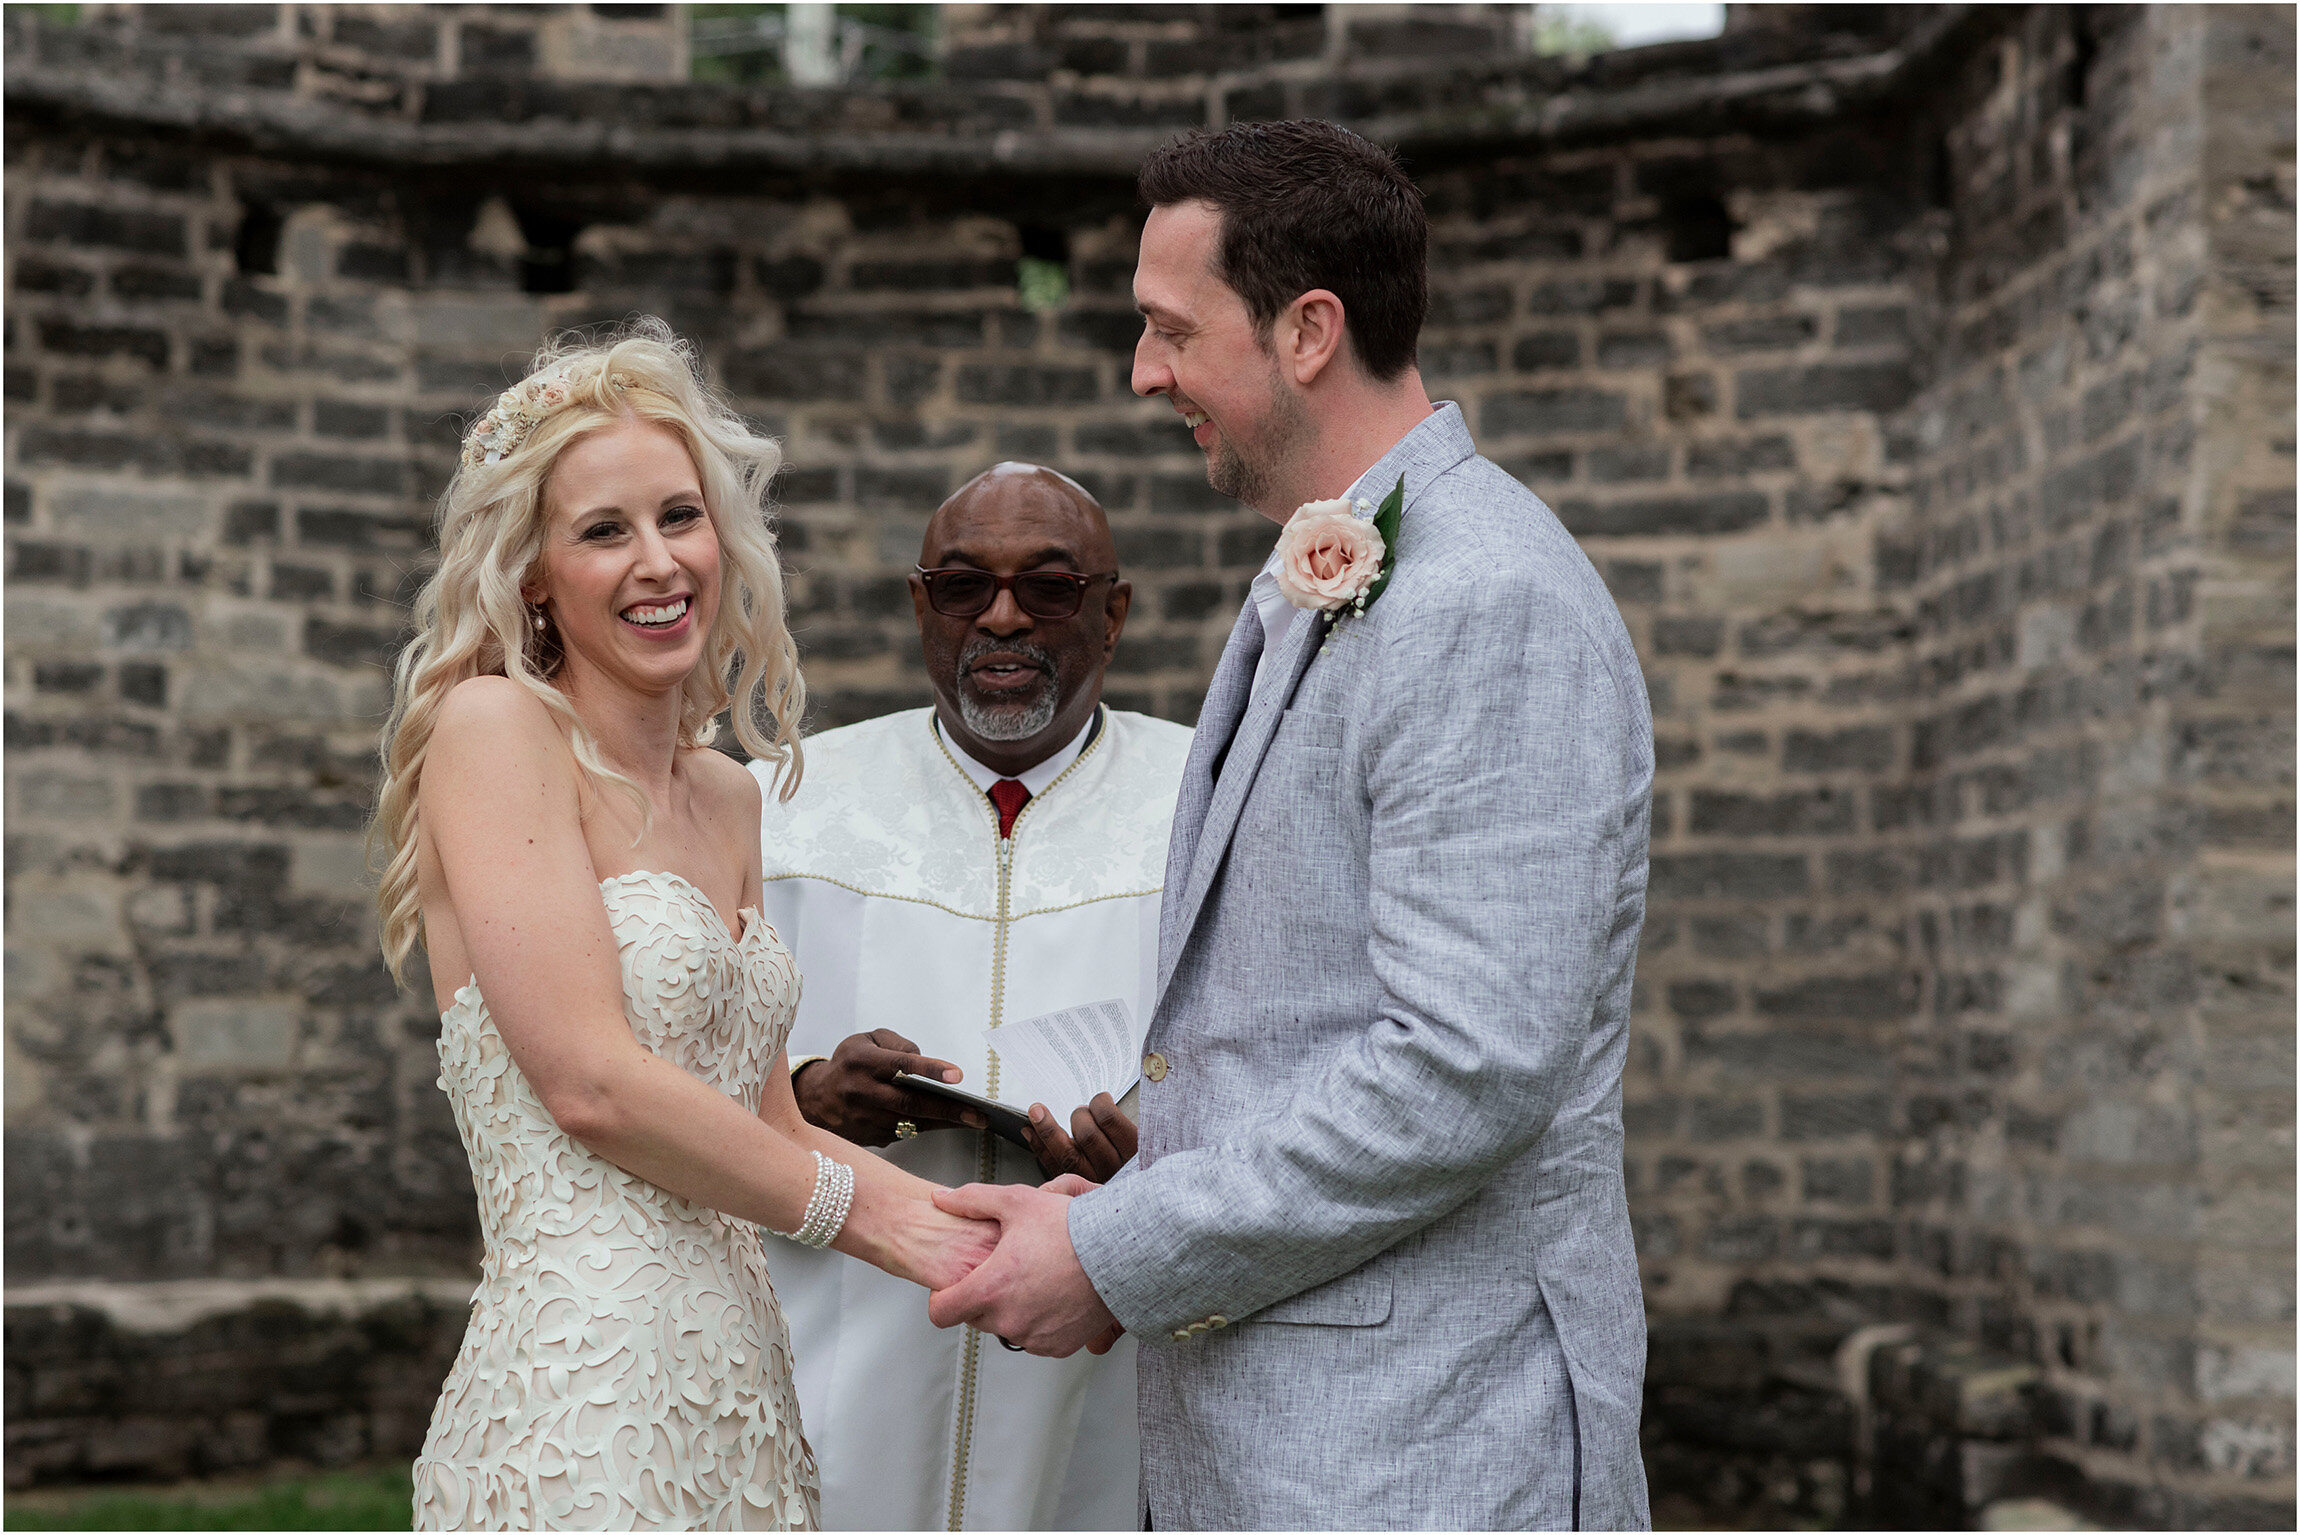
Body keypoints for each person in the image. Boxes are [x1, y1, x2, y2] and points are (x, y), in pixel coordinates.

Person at [925, 121, 1656, 1530]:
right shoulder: (1333, 573)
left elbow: (1468, 1064)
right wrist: (1151, 1133)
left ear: (1308, 329)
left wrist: (1115, 1253)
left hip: (1423, 1448)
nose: (1145, 374)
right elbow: (1323, 1011)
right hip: (1293, 1441)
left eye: (1171, 330)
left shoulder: (1483, 600)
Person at [370, 318, 995, 1531]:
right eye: (605, 529)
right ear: (533, 572)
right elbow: (590, 1084)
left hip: (743, 1399)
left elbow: (760, 1119)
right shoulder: (495, 732)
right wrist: (884, 1221)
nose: (659, 561)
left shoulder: (726, 796)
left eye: (679, 515)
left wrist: (987, 1228)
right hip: (580, 1408)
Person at [751, 463, 1190, 1531]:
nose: (1001, 616)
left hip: (1099, 1366)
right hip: (836, 1351)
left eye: (1047, 588)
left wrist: (1156, 1156)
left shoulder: (1205, 807)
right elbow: (662, 1091)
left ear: (1112, 612)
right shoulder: (782, 803)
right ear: (919, 605)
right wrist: (807, 1096)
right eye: (960, 585)